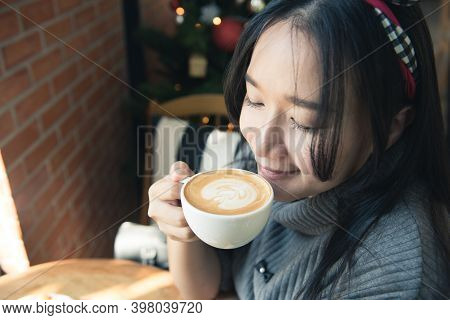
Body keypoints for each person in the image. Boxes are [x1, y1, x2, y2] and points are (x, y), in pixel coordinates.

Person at [147, 0, 449, 299]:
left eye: (305, 122)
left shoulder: (393, 275)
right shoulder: (275, 174)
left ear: (390, 127)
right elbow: (205, 289)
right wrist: (182, 231)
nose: (262, 144)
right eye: (254, 99)